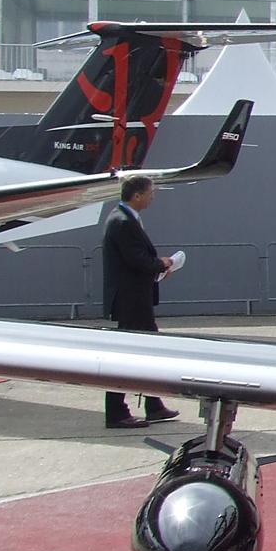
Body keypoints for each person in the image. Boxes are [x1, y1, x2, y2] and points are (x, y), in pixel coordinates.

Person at [101, 174, 181, 430]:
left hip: (137, 298)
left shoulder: (125, 218)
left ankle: (153, 404)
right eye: (151, 192)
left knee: (148, 353)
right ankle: (117, 411)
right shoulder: (122, 222)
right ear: (137, 195)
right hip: (131, 300)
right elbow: (137, 259)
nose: (153, 196)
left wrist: (157, 267)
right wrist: (163, 263)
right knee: (129, 356)